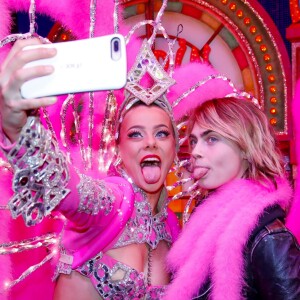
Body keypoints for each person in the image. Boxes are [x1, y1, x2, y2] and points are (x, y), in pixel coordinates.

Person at [0, 36, 180, 300]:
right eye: (136, 135)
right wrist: (17, 127)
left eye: (162, 133)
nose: (151, 142)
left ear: (175, 147)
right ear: (118, 148)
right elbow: (67, 188)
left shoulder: (172, 228)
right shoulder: (112, 203)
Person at [164, 97, 300, 300]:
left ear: (245, 147)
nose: (195, 152)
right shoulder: (205, 220)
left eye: (211, 139)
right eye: (194, 141)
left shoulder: (269, 238)